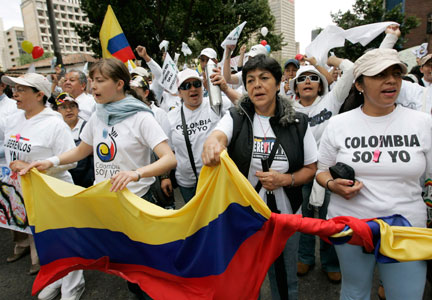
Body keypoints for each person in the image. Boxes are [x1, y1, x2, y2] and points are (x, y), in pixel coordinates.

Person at [316, 48, 430, 300]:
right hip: (351, 226)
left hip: (407, 228)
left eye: (396, 73)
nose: (391, 80)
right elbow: (321, 171)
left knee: (406, 295)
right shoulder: (339, 123)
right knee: (354, 292)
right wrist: (333, 185)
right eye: (380, 74)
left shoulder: (423, 123)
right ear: (359, 84)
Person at [202, 54, 317, 300]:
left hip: (286, 218)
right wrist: (212, 144)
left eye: (264, 78)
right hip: (245, 217)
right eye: (251, 80)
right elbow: (219, 136)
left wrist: (285, 180)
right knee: (243, 279)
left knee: (286, 281)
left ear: (278, 83)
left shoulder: (299, 123)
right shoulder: (237, 117)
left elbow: (311, 168)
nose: (257, 85)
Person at [1, 73, 85, 300]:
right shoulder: (14, 119)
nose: (14, 94)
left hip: (56, 192)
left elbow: (72, 160)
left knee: (65, 238)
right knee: (45, 239)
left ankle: (74, 284)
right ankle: (56, 276)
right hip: (27, 193)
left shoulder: (54, 123)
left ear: (40, 95)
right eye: (14, 89)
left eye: (21, 89)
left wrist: (36, 167)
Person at [289, 55, 354, 282]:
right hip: (302, 173)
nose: (308, 81)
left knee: (330, 221)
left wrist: (329, 60)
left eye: (313, 78)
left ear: (321, 85)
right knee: (304, 220)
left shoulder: (331, 101)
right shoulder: (287, 108)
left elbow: (352, 70)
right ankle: (305, 258)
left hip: (329, 173)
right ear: (295, 86)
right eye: (302, 78)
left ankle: (331, 263)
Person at [165, 68, 235, 203]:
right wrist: (164, 177)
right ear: (179, 93)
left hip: (215, 177)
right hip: (187, 183)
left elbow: (246, 105)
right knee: (196, 222)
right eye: (186, 86)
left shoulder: (216, 104)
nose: (193, 89)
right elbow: (168, 150)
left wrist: (226, 89)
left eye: (196, 84)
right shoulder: (170, 117)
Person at [51, 92, 95, 188]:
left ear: (78, 109)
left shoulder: (88, 127)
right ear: (56, 111)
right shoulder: (55, 129)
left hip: (85, 183)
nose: (69, 110)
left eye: (72, 106)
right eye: (63, 107)